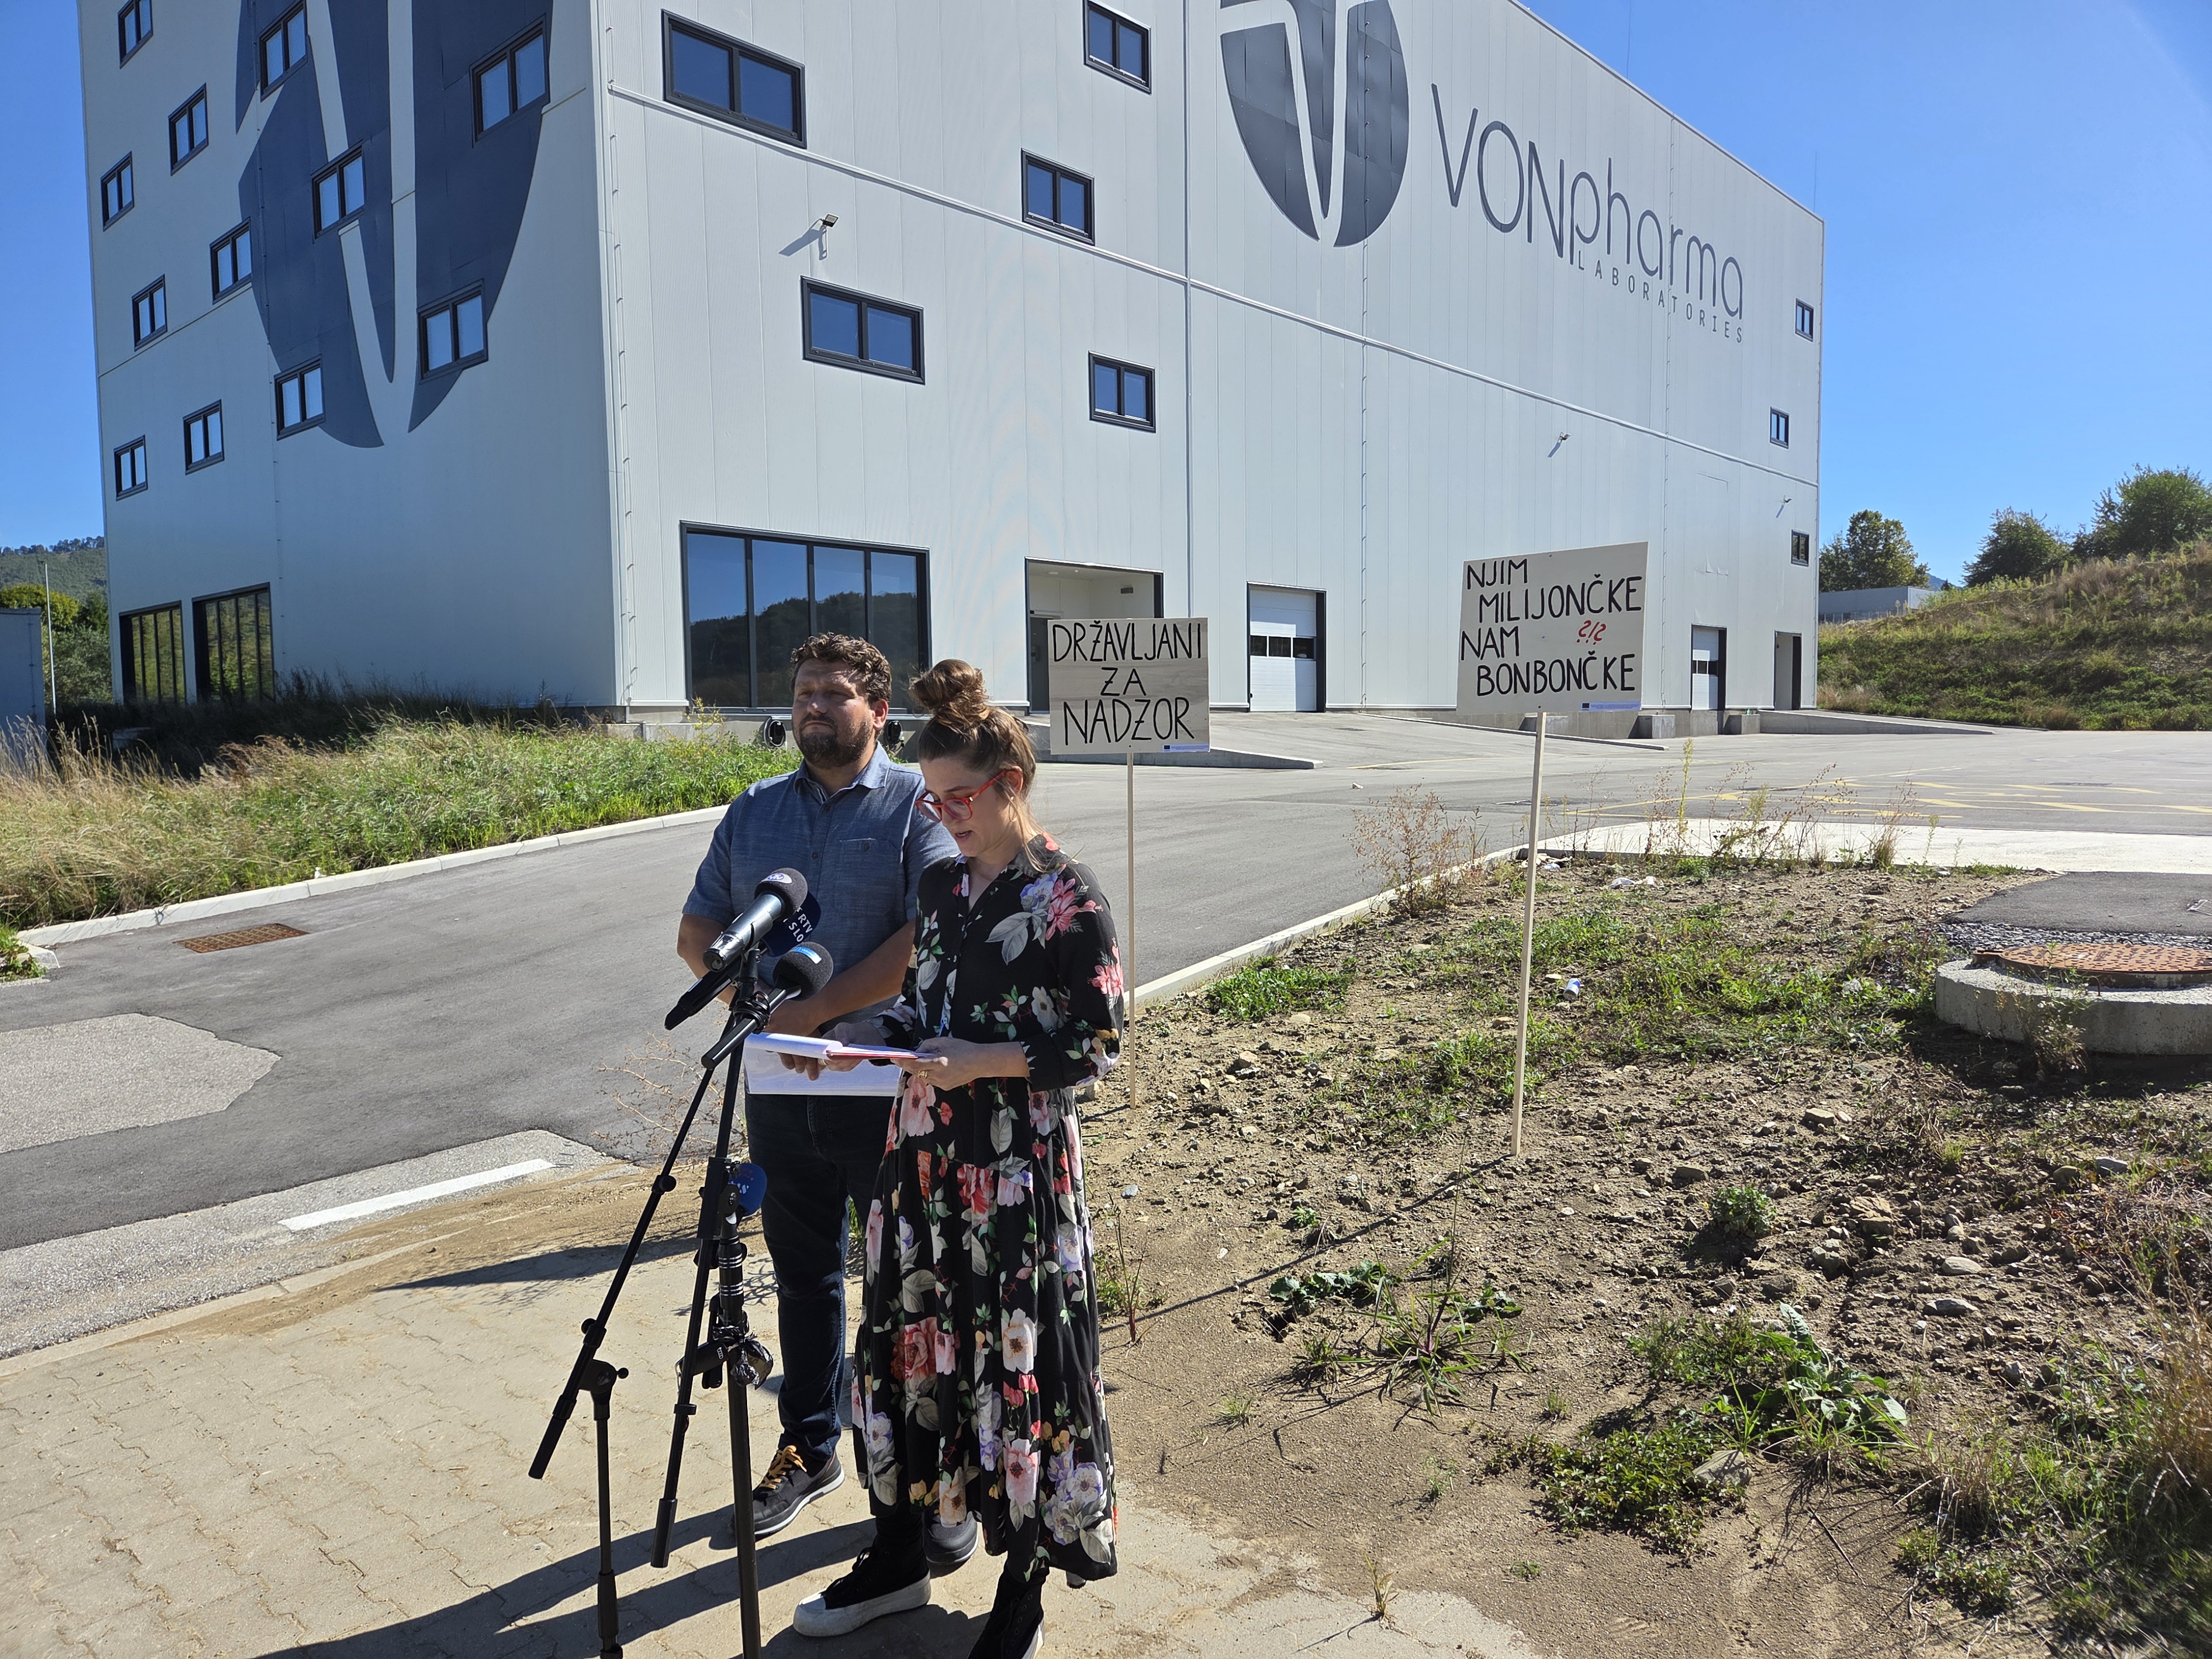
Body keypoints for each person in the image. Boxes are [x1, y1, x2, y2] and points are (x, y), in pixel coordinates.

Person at [788, 659, 1123, 1657]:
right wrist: (867, 1046)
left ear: (1010, 785)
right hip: (923, 1164)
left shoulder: (1068, 895)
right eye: (932, 801)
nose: (944, 819)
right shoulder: (939, 886)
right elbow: (928, 1006)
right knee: (906, 1348)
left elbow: (1099, 1044)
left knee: (1018, 1368)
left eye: (959, 800)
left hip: (1014, 1176)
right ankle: (900, 1553)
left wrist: (985, 1061)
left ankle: (1023, 1586)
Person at [675, 633, 973, 1567]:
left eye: (834, 692)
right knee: (803, 1277)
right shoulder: (754, 808)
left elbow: (926, 935)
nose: (812, 704)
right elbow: (698, 927)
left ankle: (936, 1473)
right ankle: (811, 1446)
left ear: (879, 711)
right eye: (803, 690)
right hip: (776, 1088)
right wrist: (758, 1011)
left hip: (881, 1088)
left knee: (909, 1283)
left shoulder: (916, 804)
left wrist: (815, 1012)